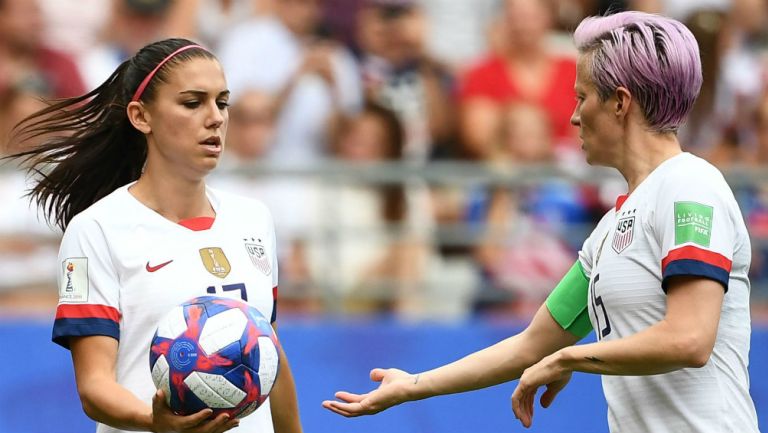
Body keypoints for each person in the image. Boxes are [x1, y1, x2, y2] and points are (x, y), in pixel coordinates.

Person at [322, 11, 760, 433]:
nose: (572, 117)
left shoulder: (690, 185)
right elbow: (534, 343)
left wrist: (569, 359)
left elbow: (689, 339)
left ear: (620, 103)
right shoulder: (610, 230)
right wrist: (413, 385)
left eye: (582, 97)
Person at [10, 38, 303, 433]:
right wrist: (155, 421)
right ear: (140, 116)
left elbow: (270, 357)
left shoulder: (254, 219)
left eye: (222, 102)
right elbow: (94, 386)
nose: (215, 117)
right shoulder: (94, 230)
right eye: (192, 102)